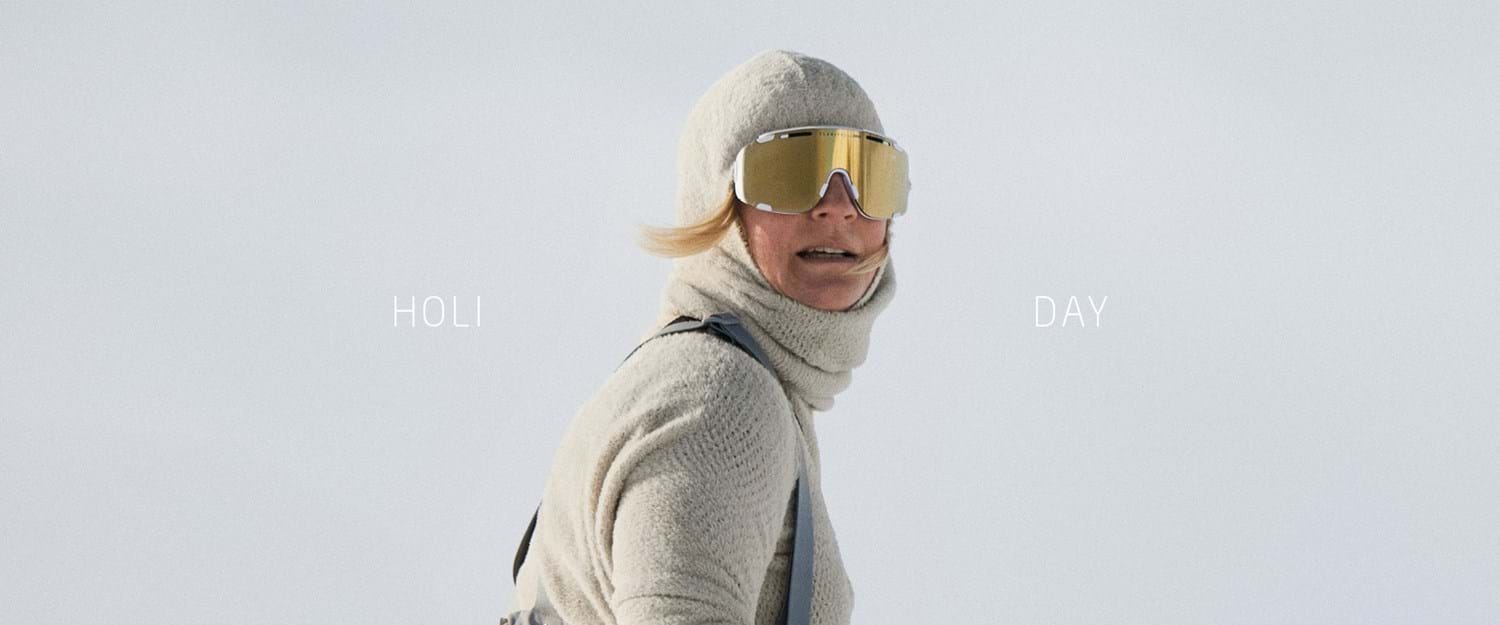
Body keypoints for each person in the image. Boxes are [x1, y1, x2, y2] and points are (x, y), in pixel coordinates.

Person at [507, 49, 907, 625]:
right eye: (791, 171)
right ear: (716, 200)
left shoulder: (708, 373)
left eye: (872, 174)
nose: (839, 208)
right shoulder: (720, 396)